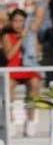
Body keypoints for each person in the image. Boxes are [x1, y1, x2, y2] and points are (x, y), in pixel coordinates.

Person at [2, 8, 42, 136]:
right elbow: (9, 55)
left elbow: (36, 53)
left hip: (27, 68)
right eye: (15, 21)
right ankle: (11, 120)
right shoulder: (6, 36)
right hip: (12, 68)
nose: (18, 24)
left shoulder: (30, 34)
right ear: (11, 22)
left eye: (21, 21)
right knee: (7, 86)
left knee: (35, 83)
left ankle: (30, 120)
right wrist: (21, 39)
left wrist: (32, 43)